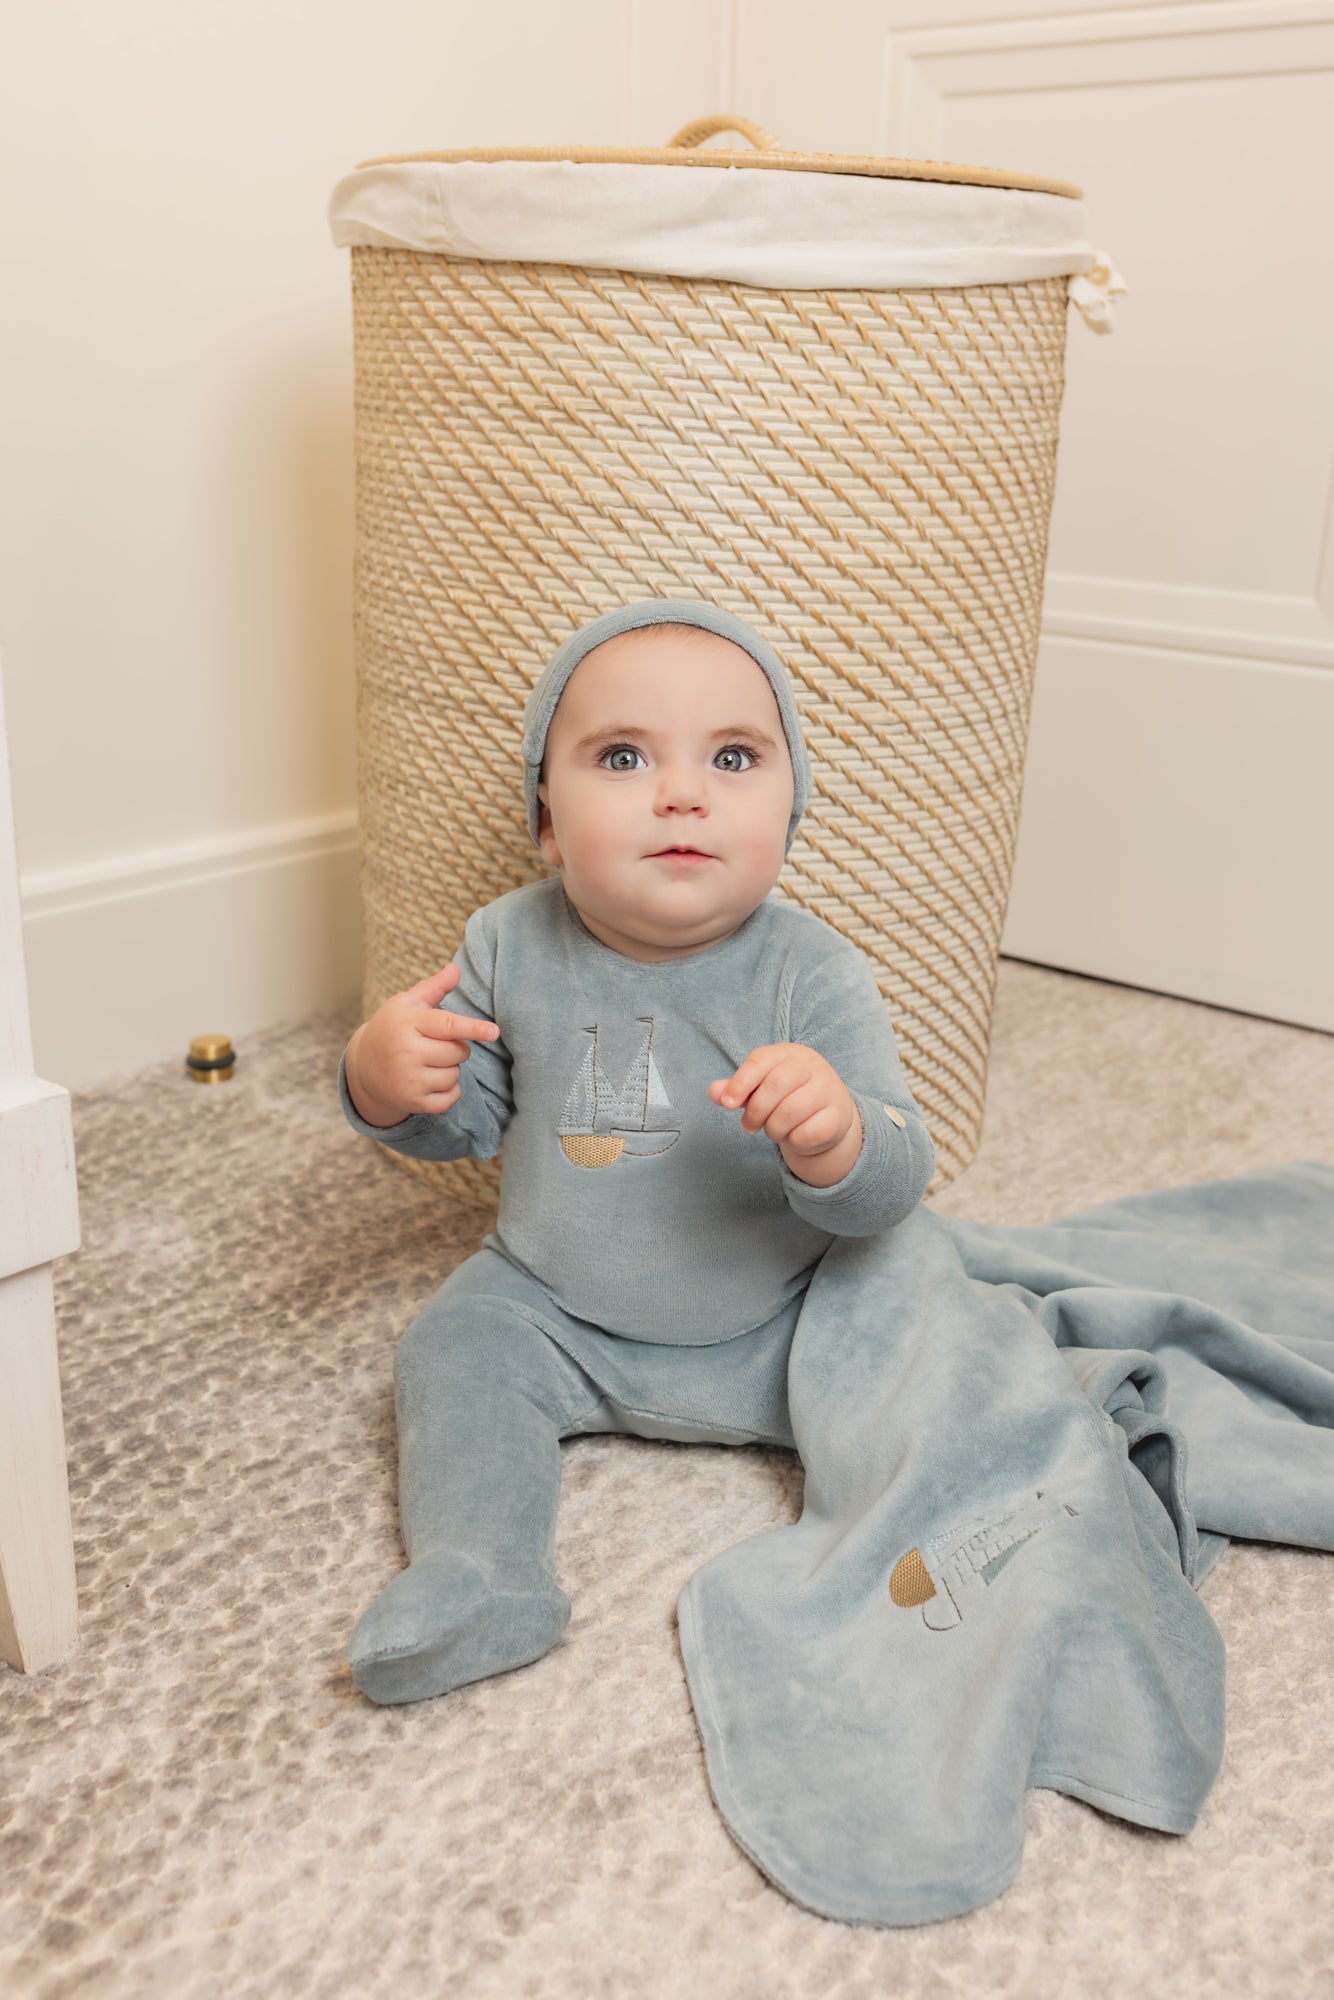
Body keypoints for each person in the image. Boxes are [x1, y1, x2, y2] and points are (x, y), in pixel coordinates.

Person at [338, 597, 936, 1704]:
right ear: (547, 820)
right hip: (553, 1308)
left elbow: (896, 1180)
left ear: (790, 809)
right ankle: (481, 1571)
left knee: (924, 1350)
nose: (681, 791)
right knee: (450, 1350)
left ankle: (892, 1580)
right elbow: (461, 1120)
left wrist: (839, 1137)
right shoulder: (506, 943)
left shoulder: (811, 970)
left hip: (782, 1323)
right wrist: (388, 1078)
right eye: (621, 755)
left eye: (732, 756)